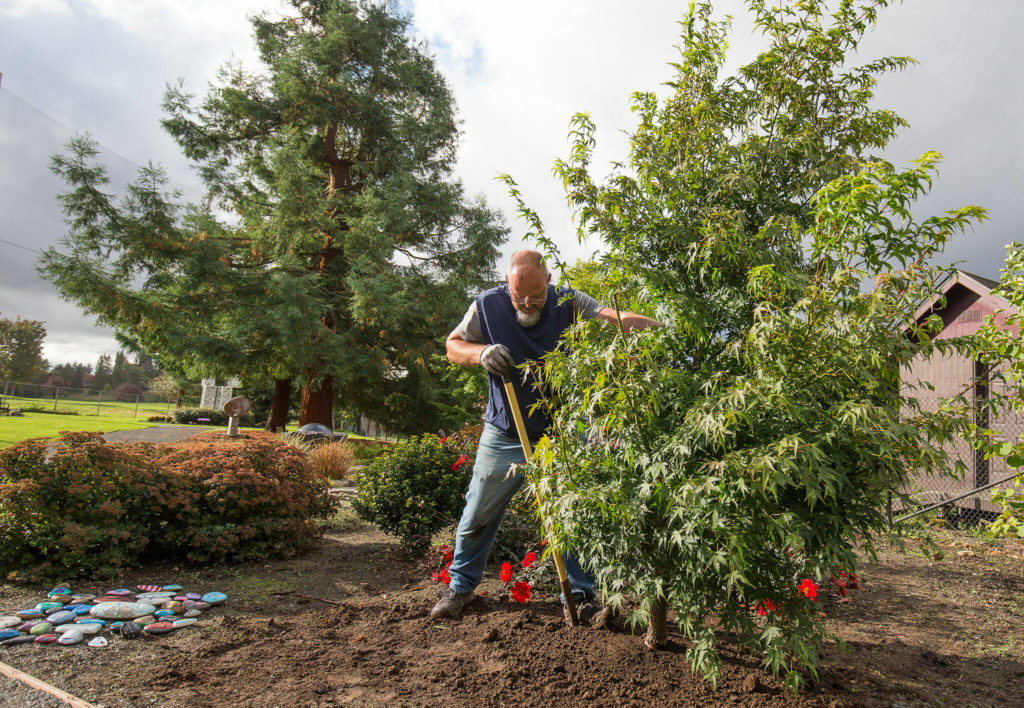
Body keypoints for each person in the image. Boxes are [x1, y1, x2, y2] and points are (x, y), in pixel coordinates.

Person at [430, 249, 660, 621]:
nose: (526, 304)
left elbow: (610, 317)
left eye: (535, 297)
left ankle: (584, 596)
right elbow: (453, 345)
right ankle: (461, 588)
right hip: (504, 430)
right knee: (478, 511)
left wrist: (656, 327)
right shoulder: (487, 305)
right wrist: (481, 352)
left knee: (573, 512)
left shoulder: (569, 301)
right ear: (507, 283)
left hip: (560, 432)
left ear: (549, 282)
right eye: (518, 296)